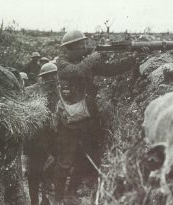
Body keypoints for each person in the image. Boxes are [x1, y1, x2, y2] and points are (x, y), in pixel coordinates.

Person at [53, 30, 146, 204]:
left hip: (87, 117)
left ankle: (71, 193)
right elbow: (77, 71)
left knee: (84, 157)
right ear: (70, 48)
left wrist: (132, 59)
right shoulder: (62, 63)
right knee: (65, 160)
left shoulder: (87, 61)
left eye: (84, 44)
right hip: (68, 120)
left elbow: (110, 70)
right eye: (80, 45)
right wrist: (95, 56)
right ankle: (58, 198)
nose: (84, 47)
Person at [24, 62, 59, 205]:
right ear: (44, 78)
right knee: (35, 175)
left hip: (49, 141)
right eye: (49, 77)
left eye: (53, 76)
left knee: (45, 174)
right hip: (37, 141)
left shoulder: (58, 91)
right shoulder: (34, 92)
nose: (52, 79)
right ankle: (35, 201)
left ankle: (43, 201)